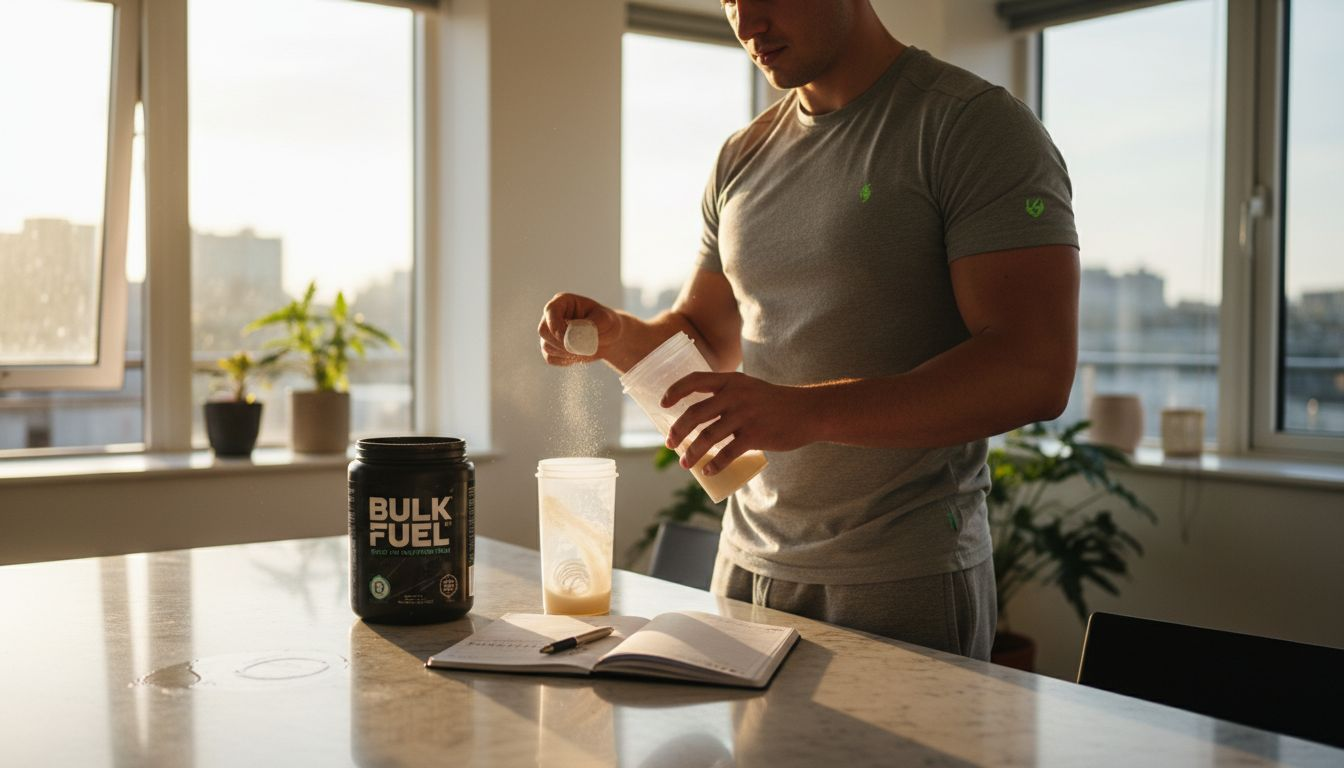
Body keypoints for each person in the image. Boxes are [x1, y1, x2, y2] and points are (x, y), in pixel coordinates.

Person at [537, 0, 1079, 660]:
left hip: (902, 576)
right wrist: (617, 333)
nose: (746, 21)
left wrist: (808, 412)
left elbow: (1034, 368)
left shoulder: (972, 126)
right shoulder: (742, 157)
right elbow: (705, 339)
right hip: (744, 572)